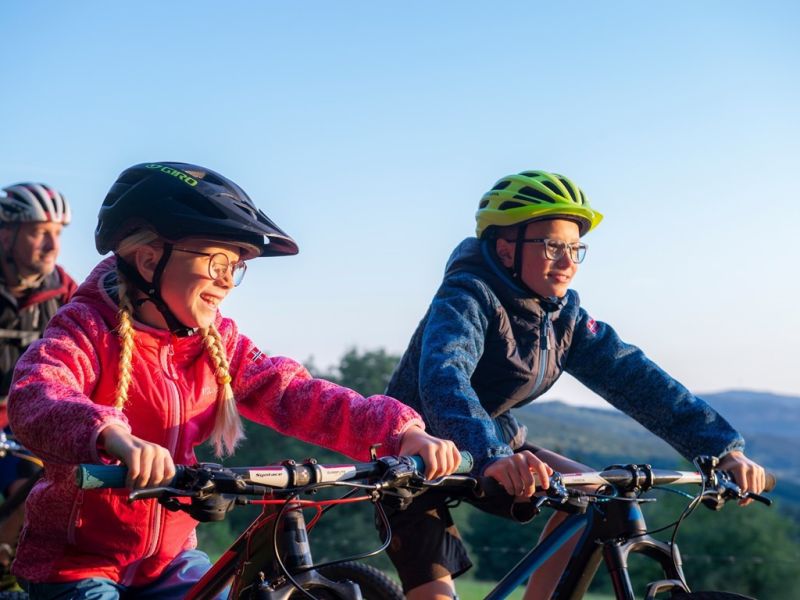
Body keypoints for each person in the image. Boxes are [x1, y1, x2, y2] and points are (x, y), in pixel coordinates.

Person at [7, 162, 461, 599]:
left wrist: (400, 431)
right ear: (148, 261)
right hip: (79, 563)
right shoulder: (86, 327)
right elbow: (38, 393)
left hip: (169, 561)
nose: (227, 281)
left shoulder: (217, 341)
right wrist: (113, 436)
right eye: (217, 262)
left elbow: (294, 393)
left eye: (236, 266)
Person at [382, 170, 767, 600]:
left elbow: (639, 379)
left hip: (492, 445)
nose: (567, 263)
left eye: (575, 248)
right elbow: (444, 378)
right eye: (552, 246)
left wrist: (722, 449)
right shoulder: (466, 297)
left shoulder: (562, 319)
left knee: (594, 496)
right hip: (412, 455)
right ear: (506, 250)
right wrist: (490, 455)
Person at [0, 183, 76, 580]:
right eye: (39, 232)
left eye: (57, 233)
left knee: (38, 490)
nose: (52, 246)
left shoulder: (65, 295)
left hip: (28, 419)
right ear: (5, 234)